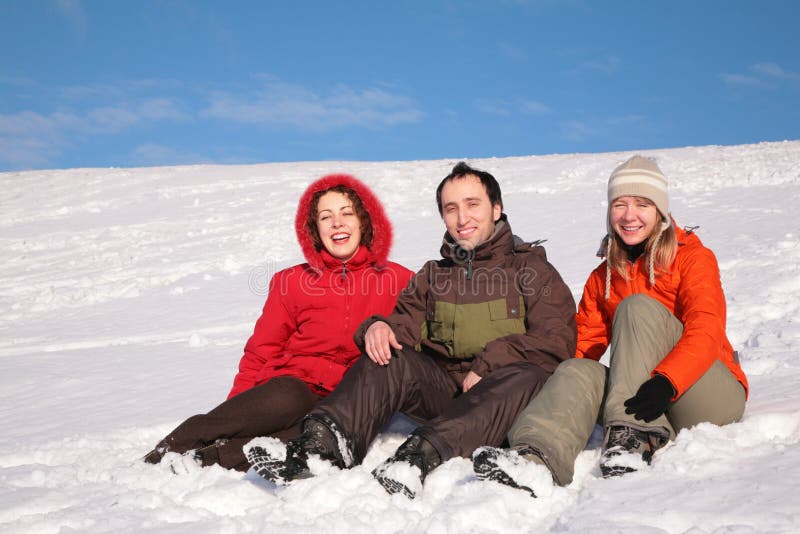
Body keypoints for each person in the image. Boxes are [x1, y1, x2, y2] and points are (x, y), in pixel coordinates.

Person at [246, 161, 577, 498]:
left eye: (472, 204)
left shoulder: (531, 268)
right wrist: (378, 328)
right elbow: (403, 323)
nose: (463, 218)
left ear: (496, 209)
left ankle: (417, 458)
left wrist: (490, 363)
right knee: (387, 354)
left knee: (529, 375)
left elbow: (557, 340)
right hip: (448, 393)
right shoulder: (433, 274)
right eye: (451, 209)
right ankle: (321, 448)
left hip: (503, 399)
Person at [471, 155, 749, 495]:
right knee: (577, 368)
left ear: (660, 211)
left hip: (708, 398)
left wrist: (666, 381)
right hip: (646, 403)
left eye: (642, 204)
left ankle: (633, 437)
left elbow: (706, 330)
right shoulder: (601, 278)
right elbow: (582, 344)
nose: (629, 215)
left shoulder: (692, 258)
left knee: (636, 308)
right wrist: (531, 387)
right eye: (620, 204)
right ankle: (535, 458)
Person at [142, 173, 413, 472]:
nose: (337, 222)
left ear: (364, 221)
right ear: (315, 229)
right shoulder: (292, 281)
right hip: (295, 384)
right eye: (326, 217)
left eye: (347, 213)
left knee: (312, 434)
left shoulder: (399, 280)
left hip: (349, 397)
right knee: (285, 400)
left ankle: (208, 460)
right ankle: (170, 448)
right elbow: (263, 348)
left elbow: (415, 341)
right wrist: (241, 404)